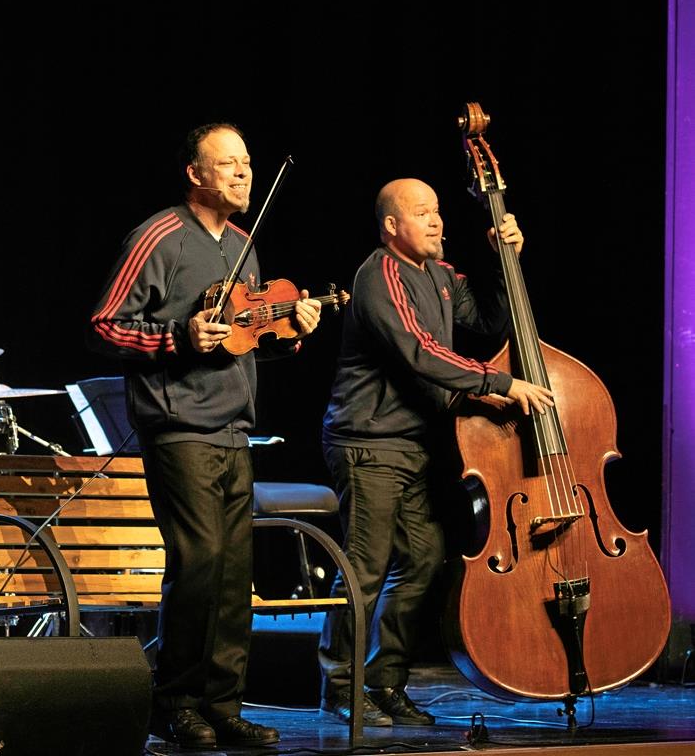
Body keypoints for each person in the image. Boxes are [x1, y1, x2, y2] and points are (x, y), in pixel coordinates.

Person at [88, 123, 321, 749]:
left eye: (247, 162)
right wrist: (175, 338)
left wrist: (291, 332)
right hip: (180, 429)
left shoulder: (244, 245)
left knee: (232, 573)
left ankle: (222, 703)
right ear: (196, 174)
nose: (244, 174)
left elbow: (242, 343)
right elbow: (106, 325)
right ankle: (176, 701)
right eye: (228, 165)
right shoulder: (160, 236)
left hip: (232, 430)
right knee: (198, 566)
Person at [317, 178, 553, 726]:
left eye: (439, 211)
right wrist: (500, 384)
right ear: (392, 226)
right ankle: (339, 686)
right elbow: (422, 352)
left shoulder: (442, 276)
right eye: (422, 213)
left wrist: (506, 260)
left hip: (414, 446)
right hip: (368, 444)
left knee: (422, 561)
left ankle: (385, 681)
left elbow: (492, 323)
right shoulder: (380, 274)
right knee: (365, 566)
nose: (436, 221)